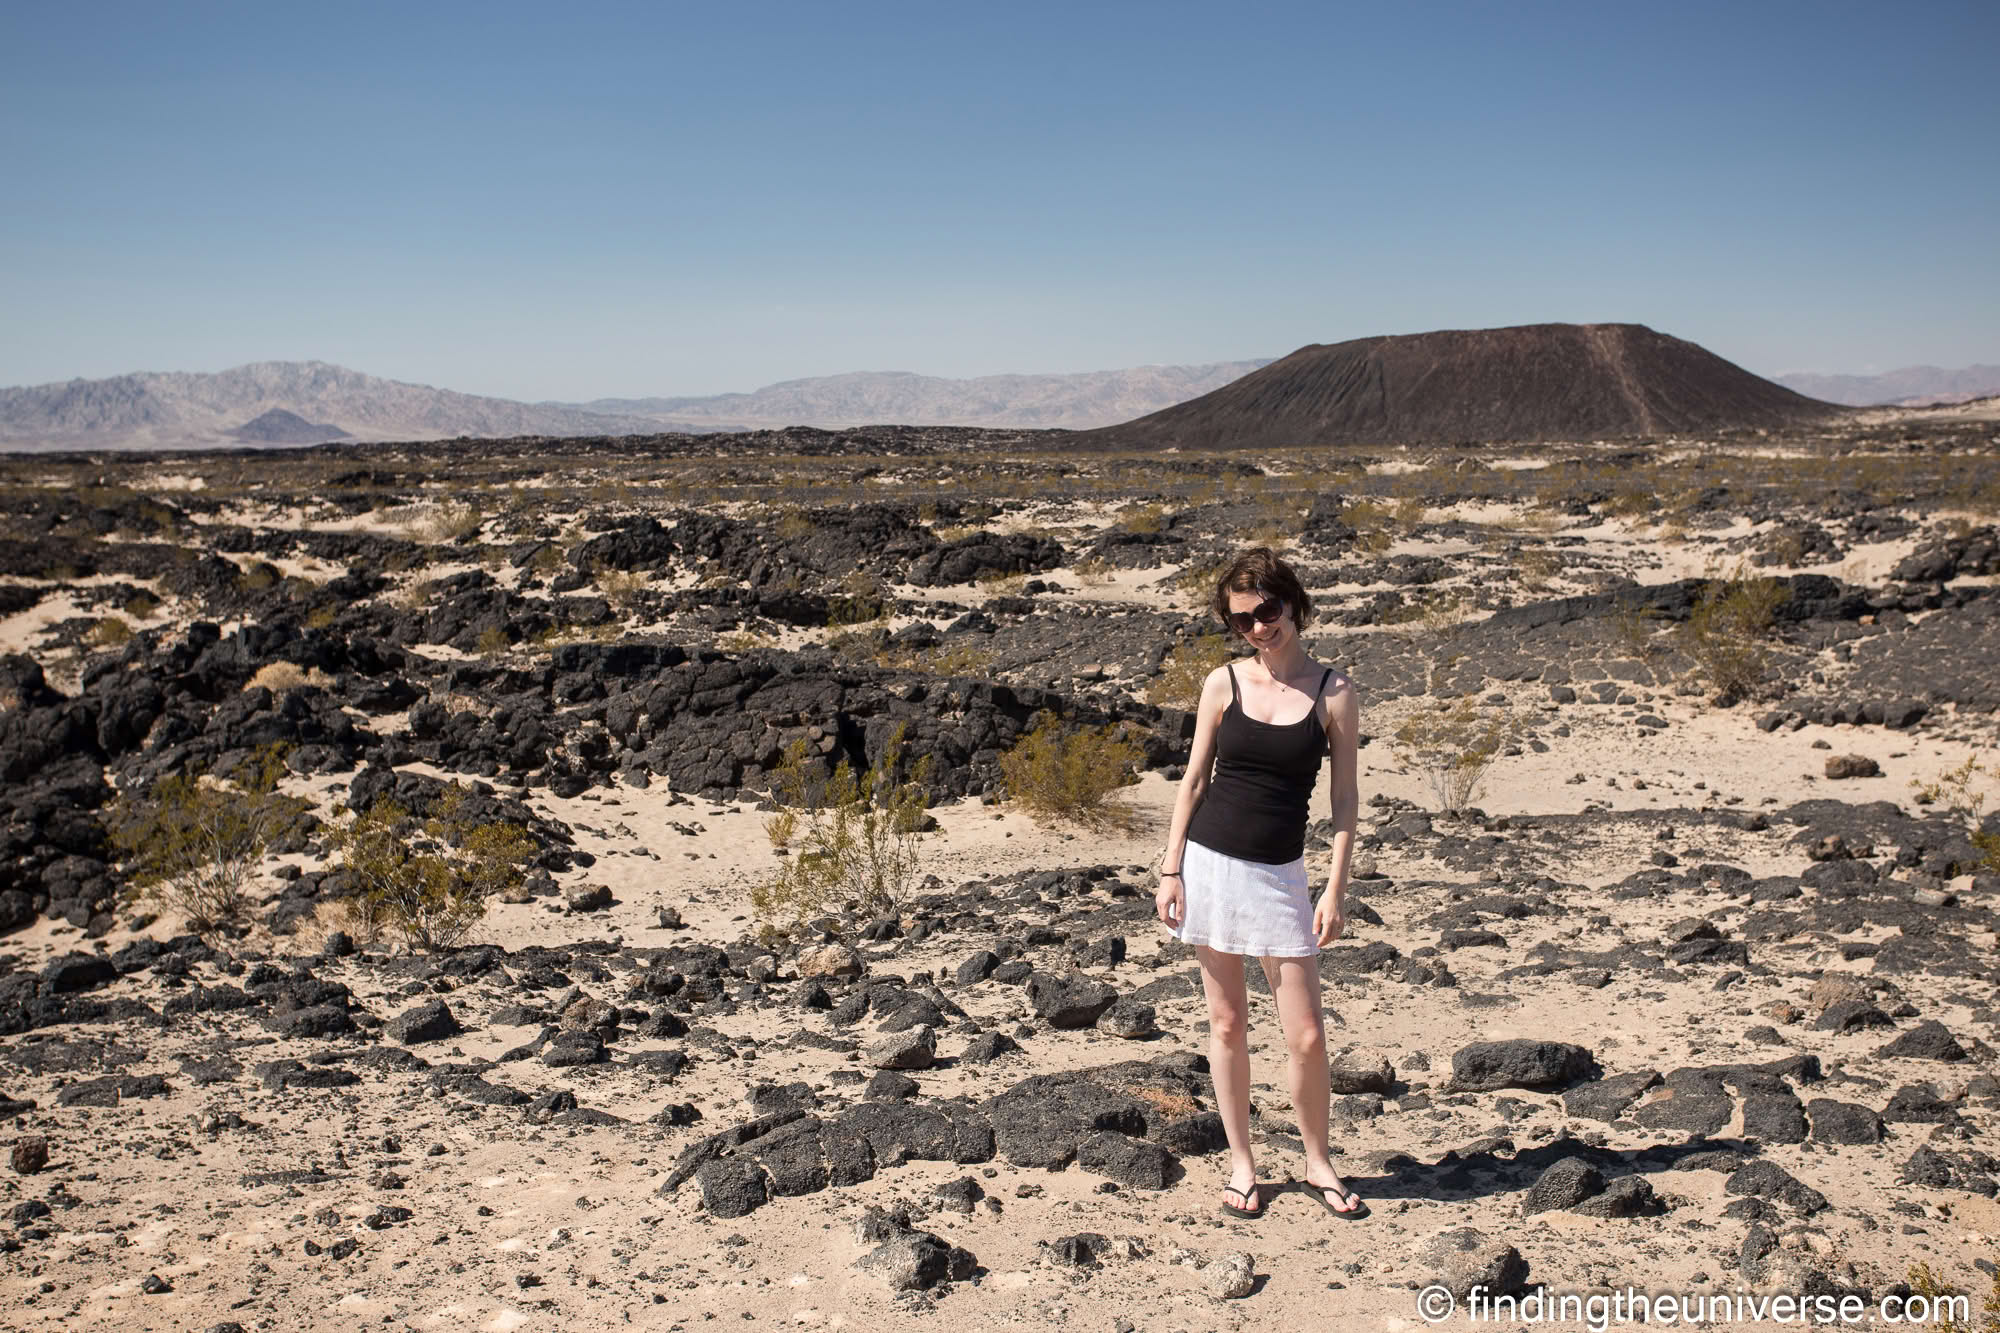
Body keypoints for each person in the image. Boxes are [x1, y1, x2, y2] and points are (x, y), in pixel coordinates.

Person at [1155, 546, 1365, 1220]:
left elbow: (1344, 801)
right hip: (1211, 864)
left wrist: (1334, 889)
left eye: (1266, 611)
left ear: (1293, 603)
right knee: (1227, 1021)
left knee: (1306, 1034)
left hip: (1282, 876)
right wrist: (1170, 867)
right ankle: (1242, 1163)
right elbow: (1193, 781)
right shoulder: (1223, 683)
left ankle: (1318, 1161)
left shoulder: (1334, 692)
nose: (1257, 628)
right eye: (1241, 620)